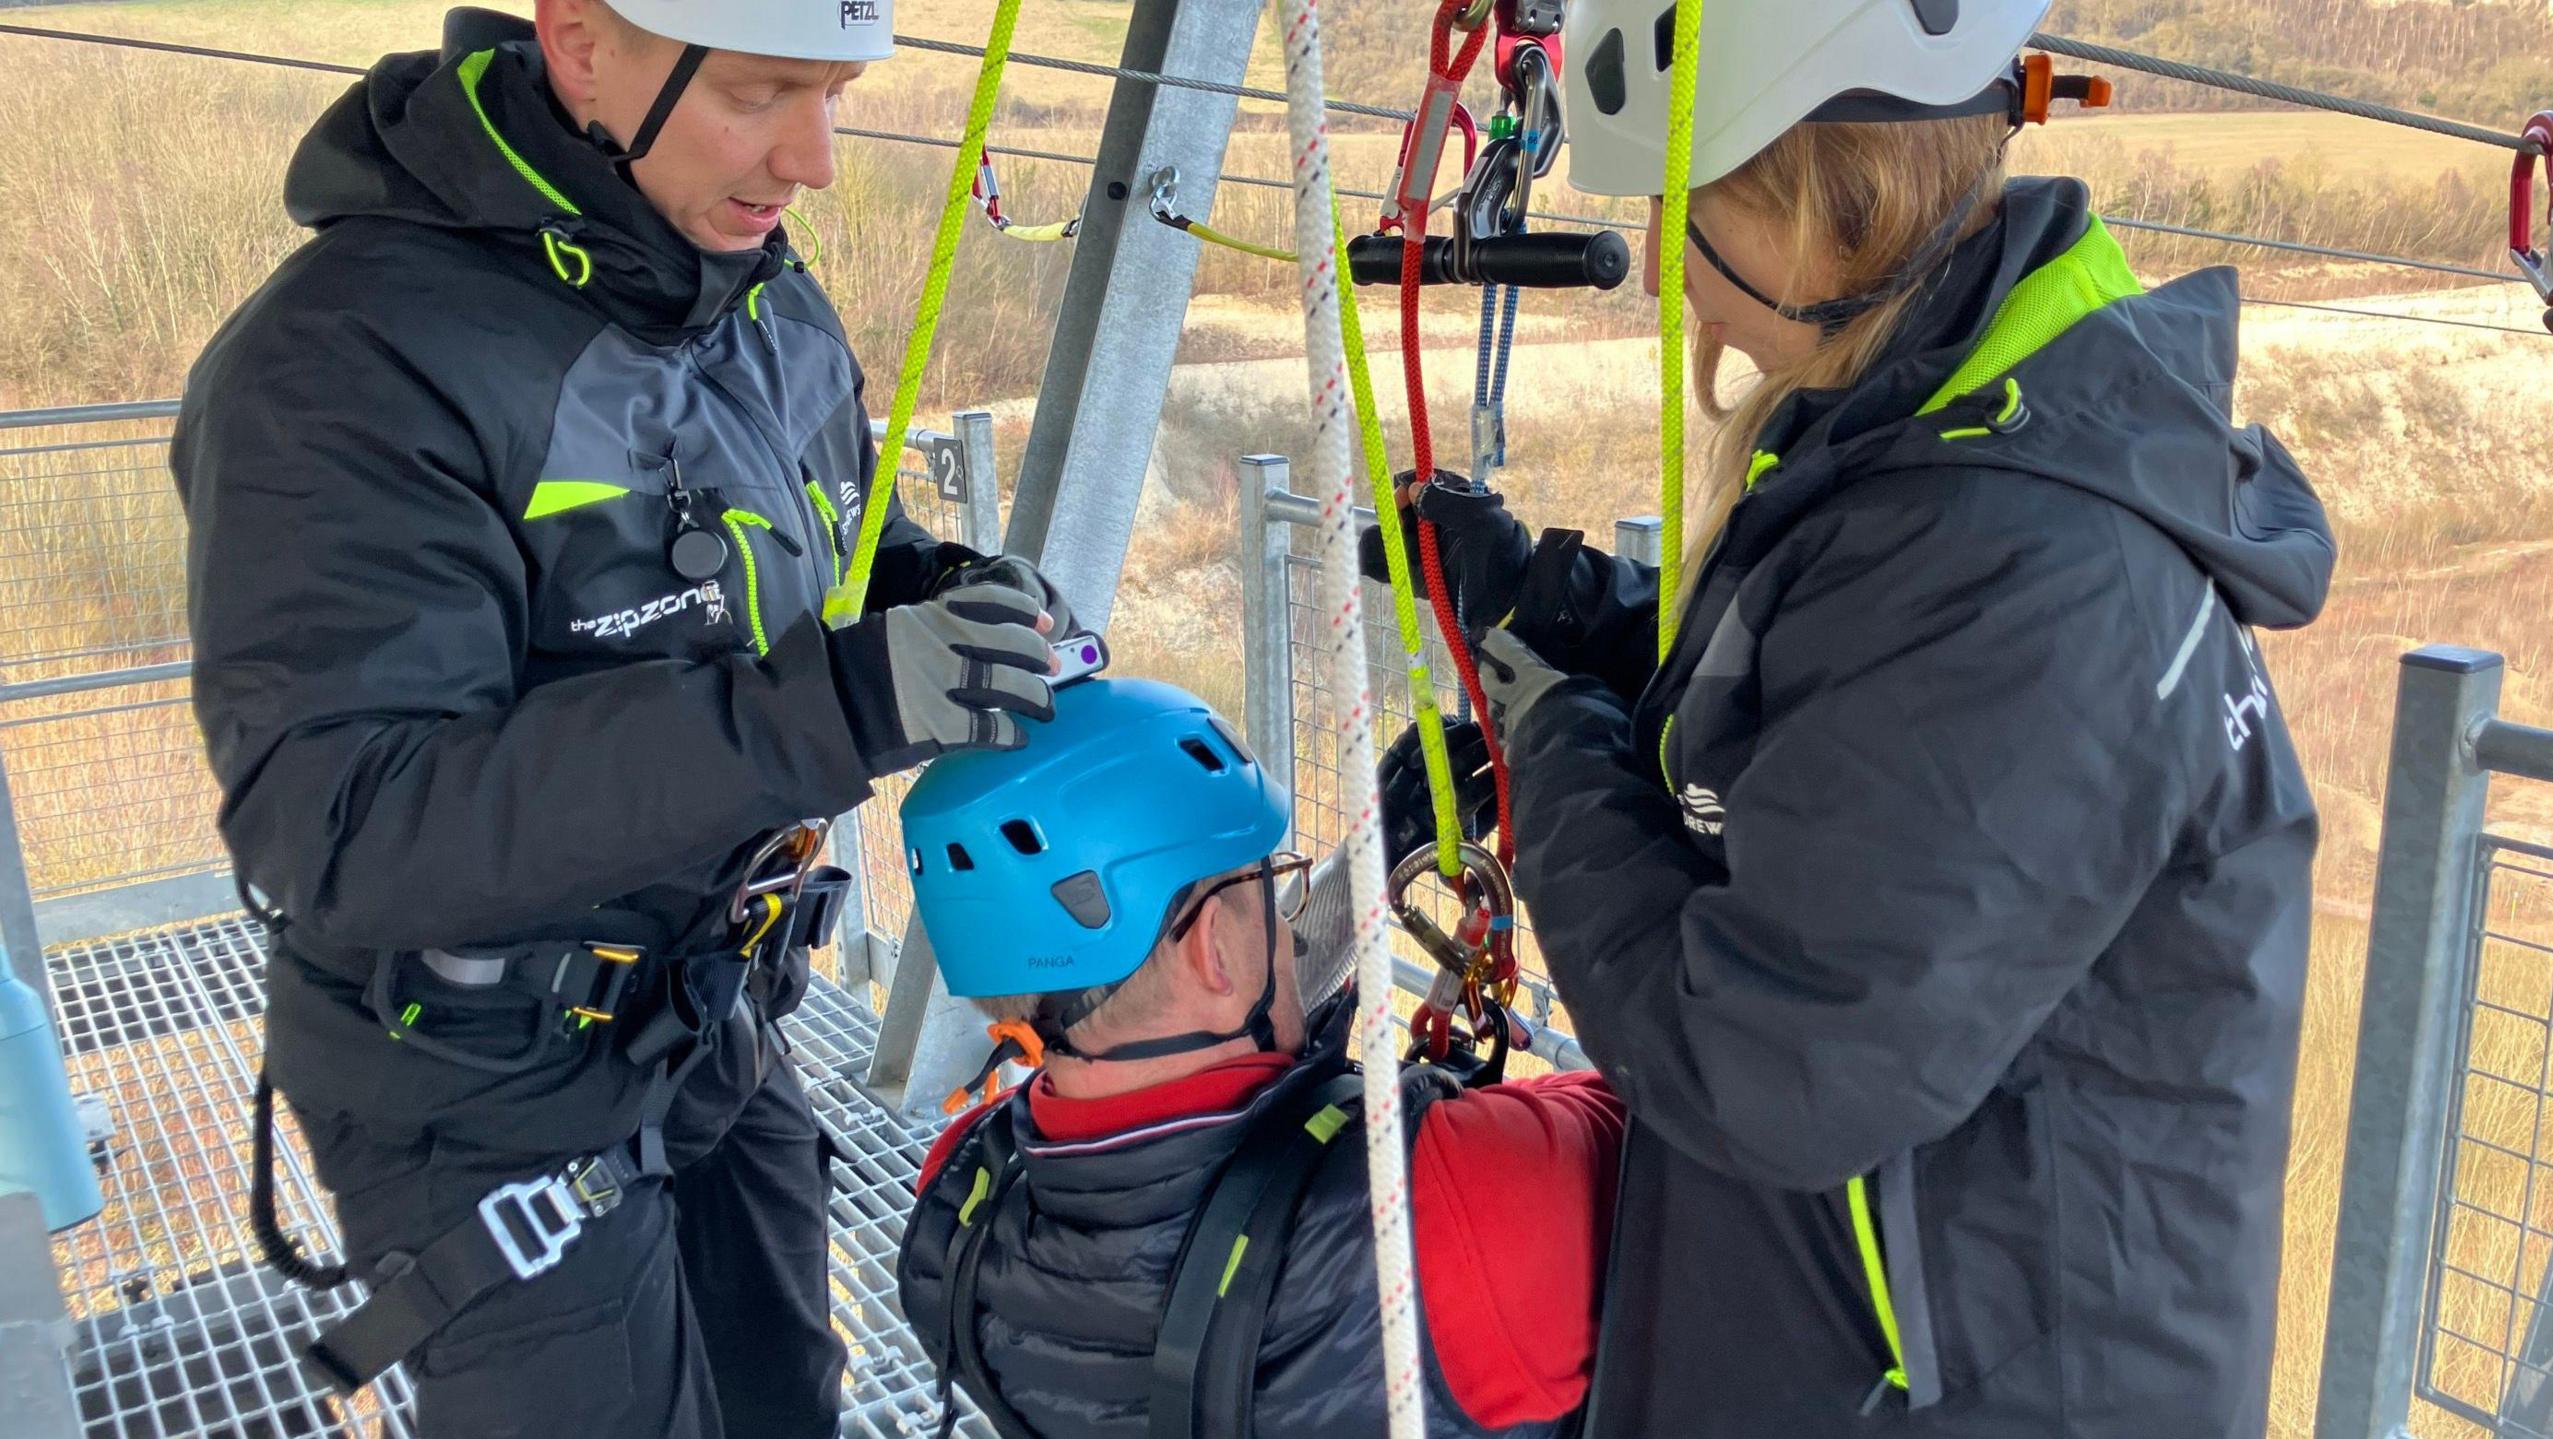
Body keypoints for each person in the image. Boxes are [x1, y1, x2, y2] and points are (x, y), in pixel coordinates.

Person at [1366, 1, 2335, 1434]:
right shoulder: (1953, 432)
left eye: (1686, 212)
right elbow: (1843, 717)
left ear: (1812, 207)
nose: (1671, 283)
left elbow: (1763, 1056)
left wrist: (1560, 749)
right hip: (1877, 1331)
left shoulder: (2037, 575)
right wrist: (1557, 610)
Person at [174, 3, 1073, 1435]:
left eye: (832, 94)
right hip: (482, 1088)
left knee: (788, 1400)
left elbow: (819, 537)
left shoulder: (752, 289)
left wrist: (939, 589)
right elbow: (347, 823)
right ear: (584, 45)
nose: (815, 160)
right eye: (765, 93)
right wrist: (838, 702)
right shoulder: (347, 365)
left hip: (713, 1013)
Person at [894, 678, 1626, 1438]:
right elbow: (1684, 1098)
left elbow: (1181, 1092)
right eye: (1271, 887)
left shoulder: (961, 1208)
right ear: (1215, 948)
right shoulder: (1461, 1203)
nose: (1289, 926)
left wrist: (1366, 872)